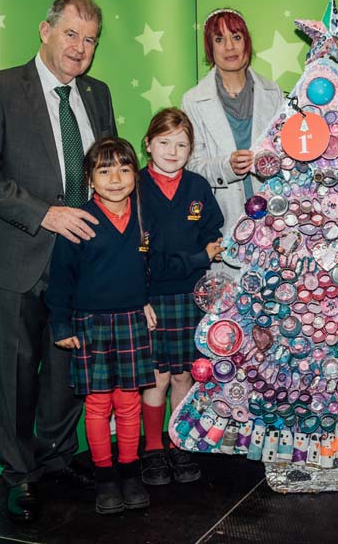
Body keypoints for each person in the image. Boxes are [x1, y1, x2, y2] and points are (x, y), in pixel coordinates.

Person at [0, 0, 116, 522]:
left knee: (69, 371)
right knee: (18, 372)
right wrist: (44, 213)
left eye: (90, 39)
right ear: (45, 31)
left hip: (80, 261)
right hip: (16, 257)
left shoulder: (97, 94)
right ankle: (20, 474)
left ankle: (55, 458)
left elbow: (107, 170)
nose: (80, 48)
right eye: (71, 34)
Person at [47, 137, 157, 515]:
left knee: (128, 402)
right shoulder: (80, 221)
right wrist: (61, 325)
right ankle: (105, 477)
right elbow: (60, 279)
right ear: (90, 179)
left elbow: (149, 268)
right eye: (105, 170)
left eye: (125, 169)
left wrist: (145, 300)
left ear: (135, 176)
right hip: (90, 323)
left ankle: (129, 471)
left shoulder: (144, 218)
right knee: (97, 404)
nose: (115, 178)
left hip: (131, 322)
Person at [137, 108, 225, 486]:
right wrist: (199, 257)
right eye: (164, 143)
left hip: (191, 297)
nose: (173, 152)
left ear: (191, 150)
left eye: (182, 145)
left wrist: (208, 251)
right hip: (151, 298)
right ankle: (153, 448)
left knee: (184, 374)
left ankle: (179, 441)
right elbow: (142, 258)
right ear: (148, 144)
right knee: (156, 376)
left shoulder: (197, 186)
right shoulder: (134, 187)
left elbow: (213, 230)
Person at [182, 8, 284, 234]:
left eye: (236, 37)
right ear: (210, 48)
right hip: (222, 221)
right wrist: (227, 167)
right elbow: (191, 167)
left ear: (247, 42)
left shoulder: (273, 92)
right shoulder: (192, 100)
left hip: (276, 218)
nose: (229, 47)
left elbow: (288, 154)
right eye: (219, 39)